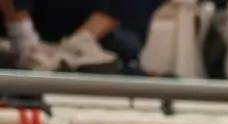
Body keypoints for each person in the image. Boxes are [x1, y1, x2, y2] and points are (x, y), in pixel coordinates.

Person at [1, 0, 156, 71]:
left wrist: (83, 38)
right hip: (18, 32)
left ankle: (78, 46)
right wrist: (22, 36)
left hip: (100, 44)